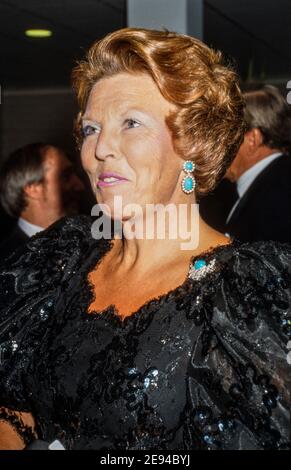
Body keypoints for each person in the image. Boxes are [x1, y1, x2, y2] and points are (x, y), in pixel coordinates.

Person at [0, 28, 290, 450]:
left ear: (193, 143)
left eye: (130, 123)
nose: (100, 149)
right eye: (91, 128)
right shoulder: (61, 255)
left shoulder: (246, 291)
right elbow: (12, 406)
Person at [225, 85, 291, 242]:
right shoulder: (274, 185)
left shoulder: (276, 198)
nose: (219, 147)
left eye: (228, 137)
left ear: (252, 140)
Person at [0, 143, 84, 259]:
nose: (80, 185)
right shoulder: (8, 262)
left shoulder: (88, 241)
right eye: (66, 176)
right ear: (32, 188)